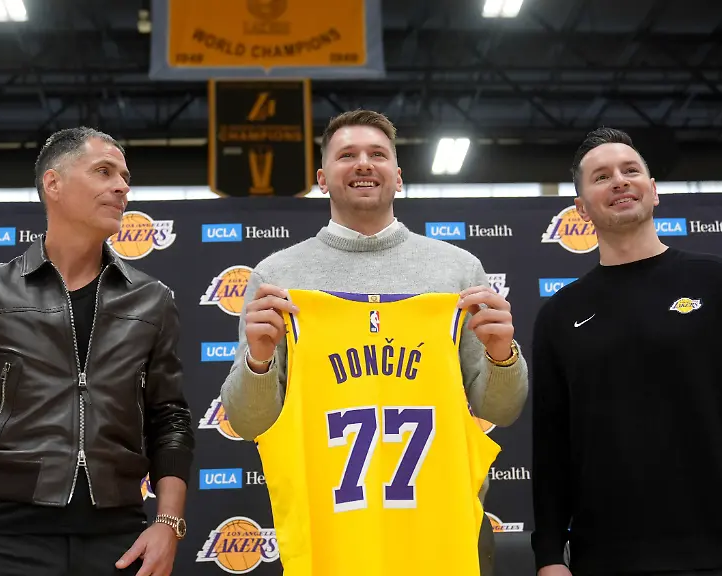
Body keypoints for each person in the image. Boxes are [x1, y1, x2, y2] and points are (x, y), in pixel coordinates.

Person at [220, 109, 530, 575]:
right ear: (322, 179)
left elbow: (501, 411)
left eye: (378, 155)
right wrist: (259, 361)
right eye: (347, 155)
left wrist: (502, 356)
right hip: (333, 542)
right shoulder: (277, 278)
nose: (363, 163)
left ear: (398, 177)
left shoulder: (458, 272)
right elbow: (247, 423)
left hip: (438, 539)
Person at [530, 127, 722, 576]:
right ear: (580, 208)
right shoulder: (559, 315)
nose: (619, 181)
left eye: (630, 170)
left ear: (653, 190)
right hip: (604, 561)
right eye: (601, 176)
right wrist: (547, 556)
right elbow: (551, 448)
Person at [0, 127, 194, 576]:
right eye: (104, 172)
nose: (122, 187)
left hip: (119, 539)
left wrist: (168, 524)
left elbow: (170, 420)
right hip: (6, 537)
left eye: (125, 177)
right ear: (54, 183)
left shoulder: (152, 300)